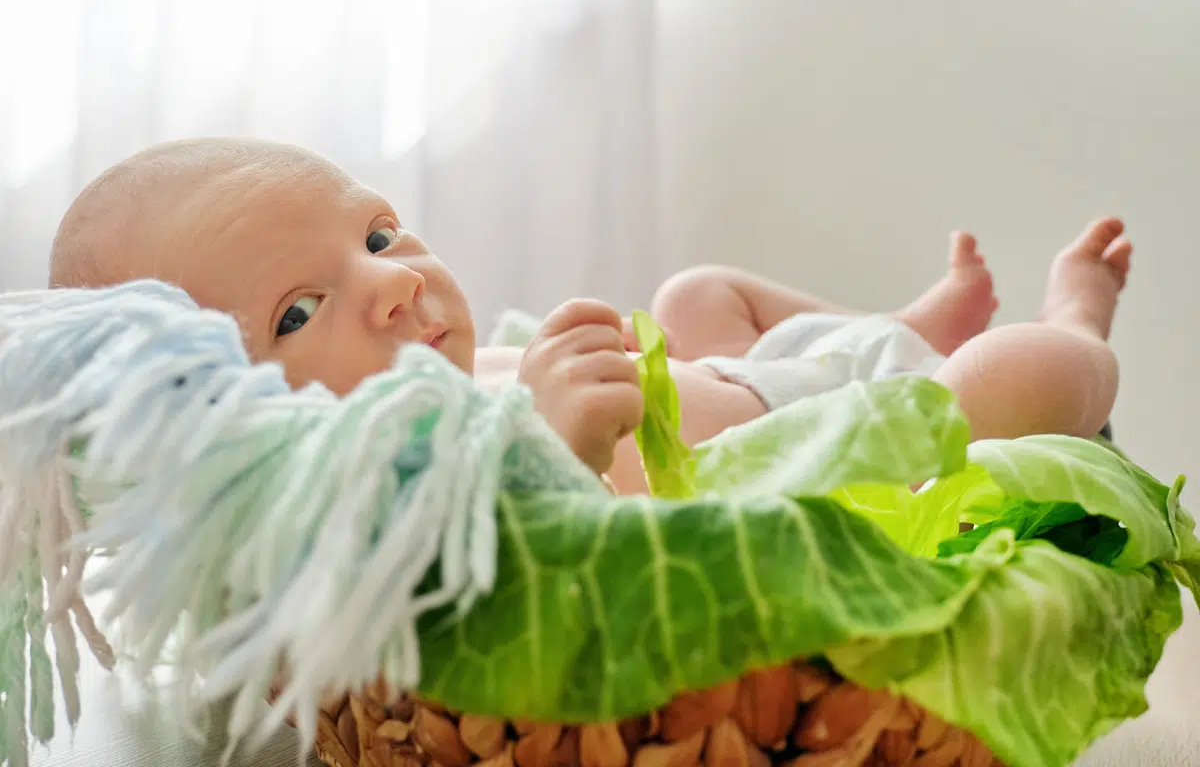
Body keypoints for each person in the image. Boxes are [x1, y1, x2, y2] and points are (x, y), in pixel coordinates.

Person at [47, 137, 1131, 494]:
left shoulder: (437, 360)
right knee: (1022, 375)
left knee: (693, 295)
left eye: (375, 237)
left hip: (799, 376)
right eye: (297, 309)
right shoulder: (384, 488)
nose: (395, 280)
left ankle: (899, 322)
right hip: (881, 441)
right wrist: (555, 449)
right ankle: (1071, 323)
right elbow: (519, 554)